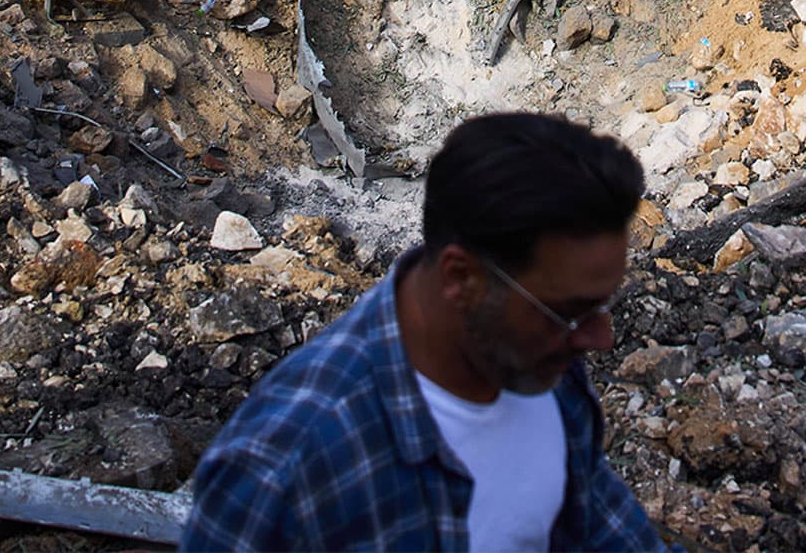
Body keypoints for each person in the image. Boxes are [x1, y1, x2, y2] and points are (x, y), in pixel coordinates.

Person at [181, 112, 668, 552]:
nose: (599, 340)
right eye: (572, 311)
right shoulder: (288, 465)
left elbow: (604, 533)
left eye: (601, 307)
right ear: (461, 278)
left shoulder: (545, 369)